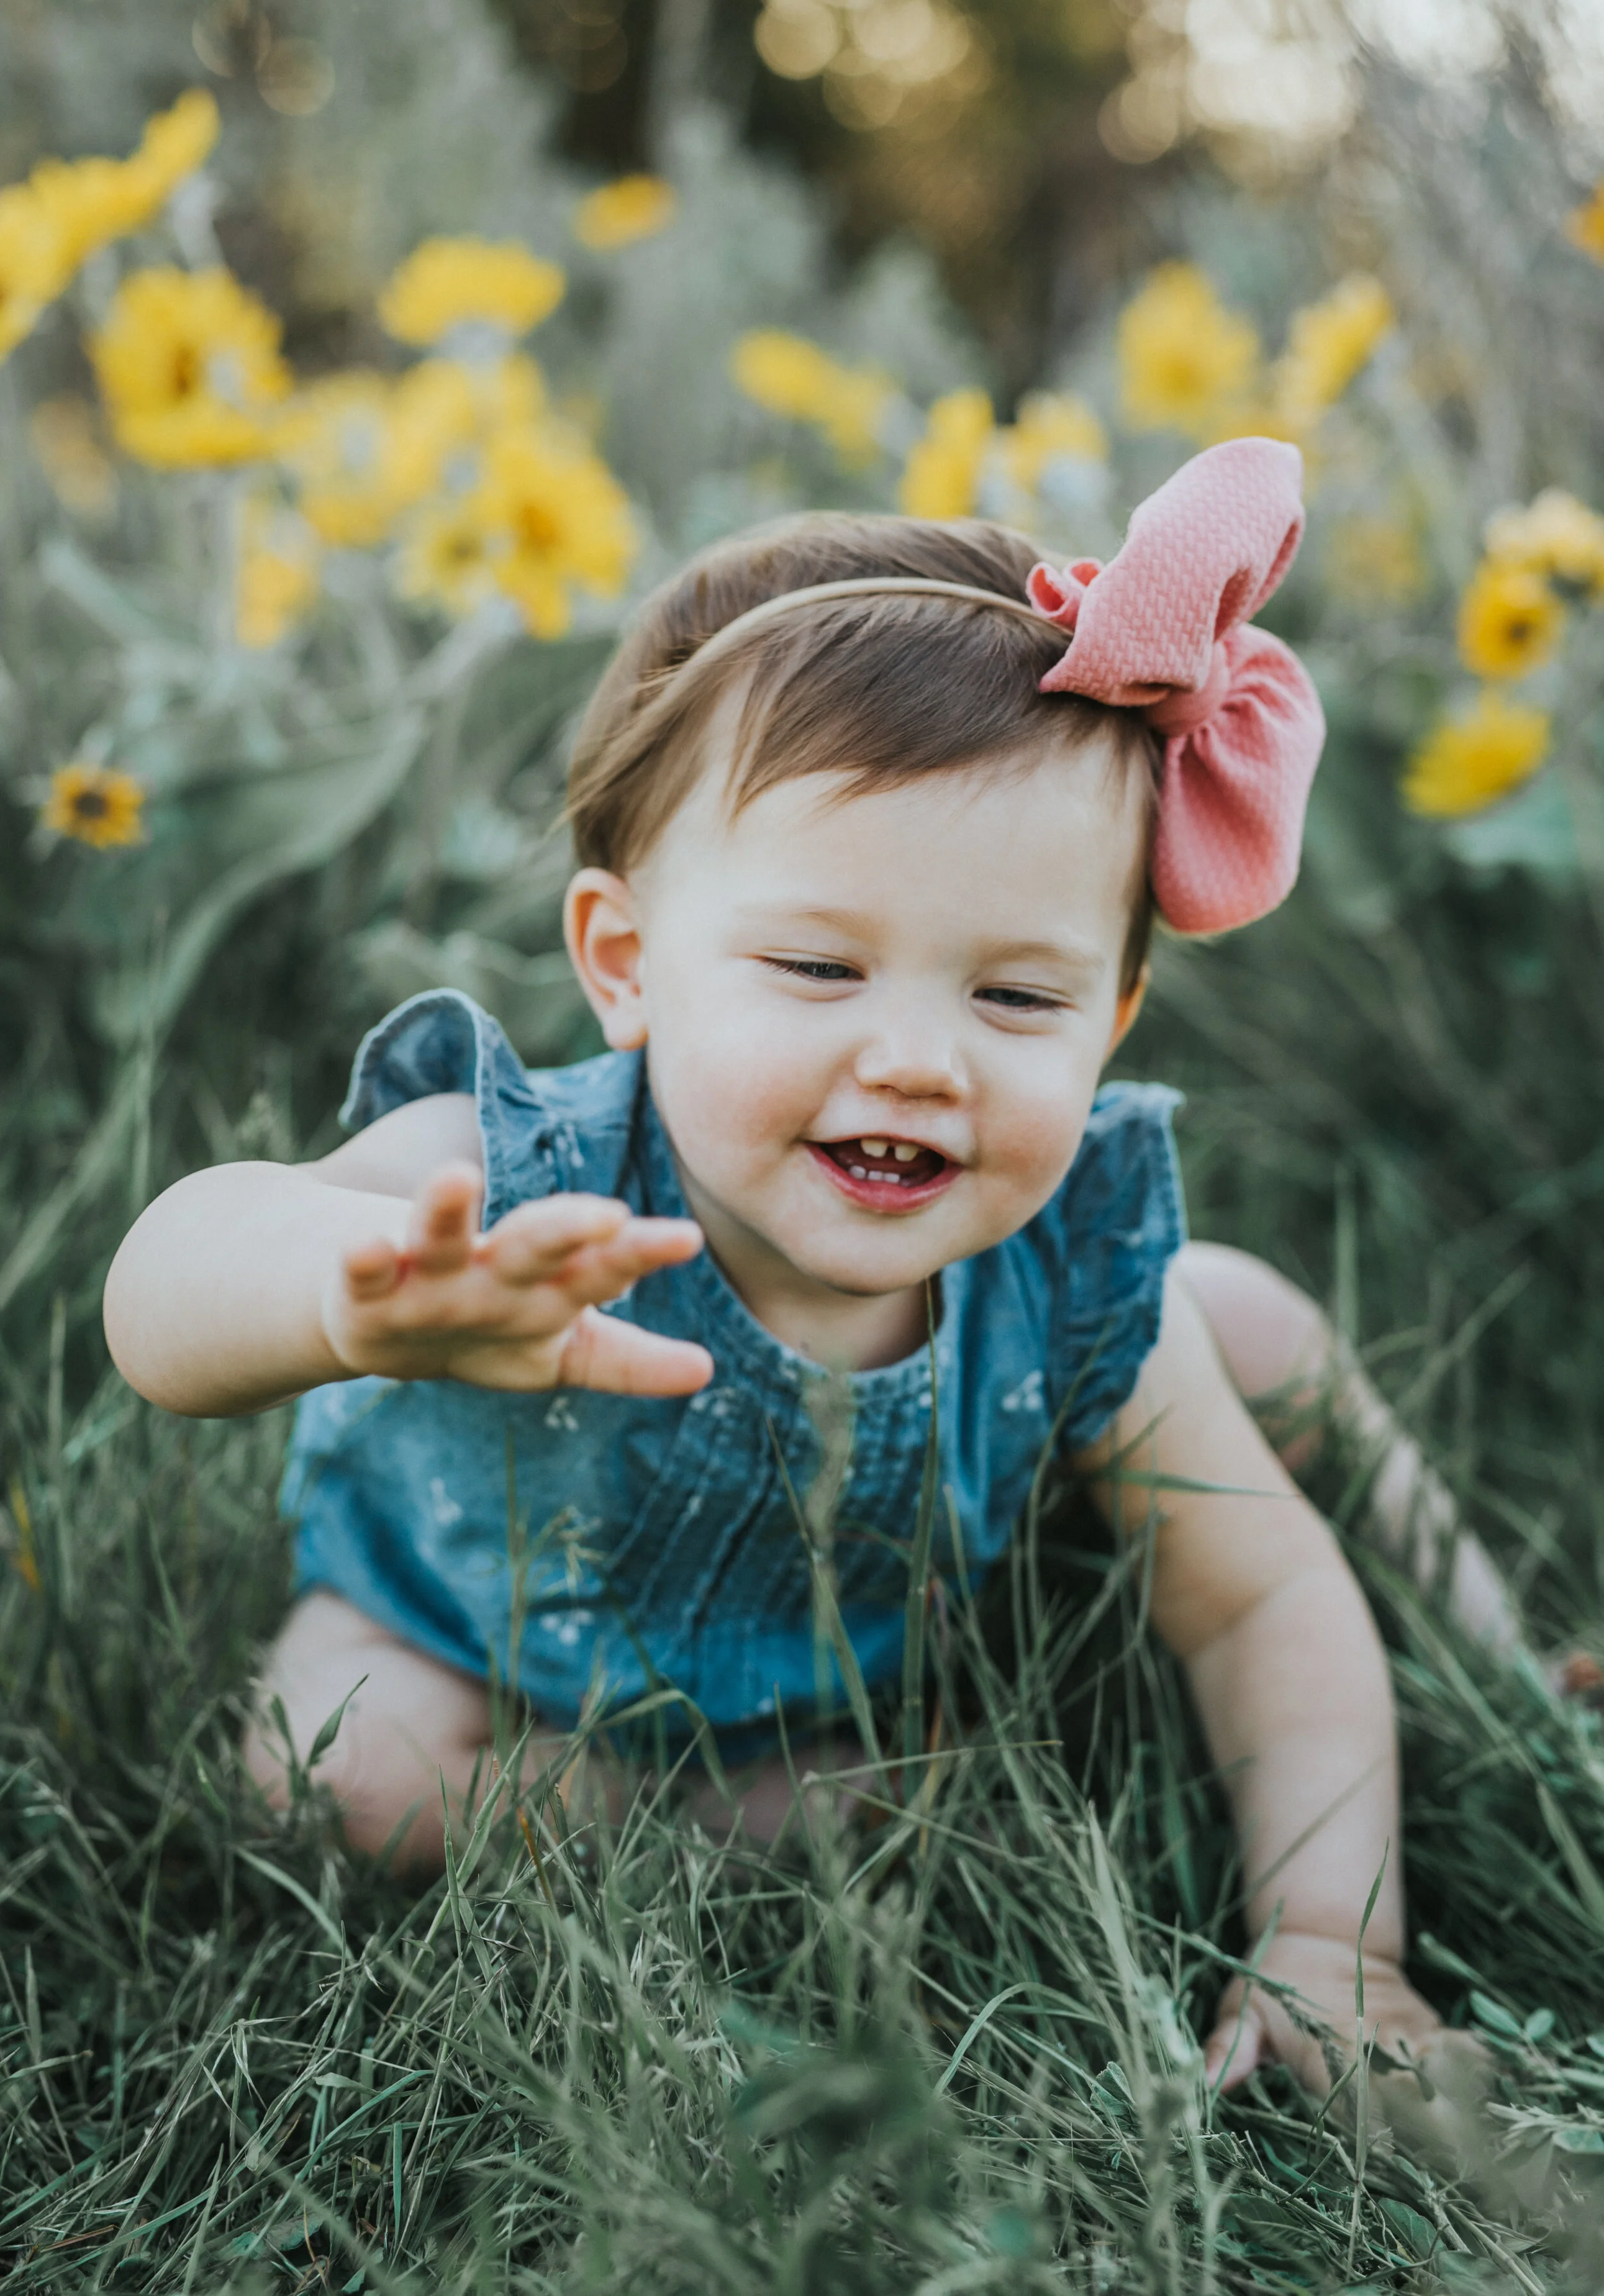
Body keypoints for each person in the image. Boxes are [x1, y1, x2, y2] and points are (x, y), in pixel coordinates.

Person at [107, 438, 1493, 2095]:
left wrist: (1338, 1939)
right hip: (489, 1647)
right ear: (629, 965)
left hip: (886, 1590)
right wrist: (342, 1285)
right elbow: (160, 1286)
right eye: (818, 965)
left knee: (1241, 1313)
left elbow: (1259, 1594)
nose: (916, 1059)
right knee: (331, 1770)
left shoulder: (1063, 1257)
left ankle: (1493, 1633)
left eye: (1019, 1000)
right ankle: (782, 1814)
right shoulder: (520, 1188)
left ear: (1115, 1020)